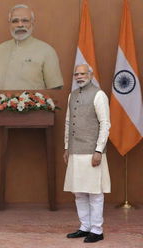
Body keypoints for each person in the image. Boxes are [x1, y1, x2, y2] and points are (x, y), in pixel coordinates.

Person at [63, 64, 111, 243]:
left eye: (83, 73)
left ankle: (97, 230)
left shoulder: (99, 94)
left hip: (92, 152)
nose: (79, 76)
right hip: (75, 151)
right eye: (76, 74)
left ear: (90, 75)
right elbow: (68, 123)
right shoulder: (72, 95)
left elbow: (105, 124)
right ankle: (85, 227)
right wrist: (67, 147)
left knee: (95, 192)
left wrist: (99, 150)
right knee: (78, 192)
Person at [0, 4, 64, 90]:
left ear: (32, 23)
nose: (20, 25)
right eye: (15, 21)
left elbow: (55, 89)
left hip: (34, 103)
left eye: (25, 20)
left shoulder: (47, 51)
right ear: (9, 24)